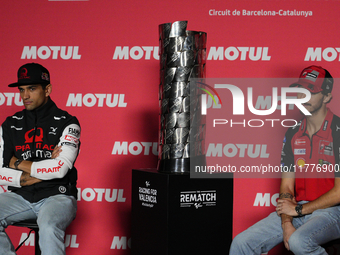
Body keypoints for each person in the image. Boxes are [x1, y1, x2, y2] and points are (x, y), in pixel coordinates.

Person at [229, 65, 340, 255]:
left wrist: (298, 210)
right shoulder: (292, 133)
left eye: (311, 91)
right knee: (242, 243)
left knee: (299, 241)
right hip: (298, 210)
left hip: (332, 211)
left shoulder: (337, 131)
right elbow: (287, 188)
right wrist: (287, 222)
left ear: (327, 96)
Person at [0, 63, 81, 254]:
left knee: (49, 227)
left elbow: (60, 170)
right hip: (21, 195)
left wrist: (16, 163)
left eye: (32, 89)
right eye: (22, 90)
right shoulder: (10, 124)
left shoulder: (68, 122)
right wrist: (27, 177)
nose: (25, 96)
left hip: (58, 196)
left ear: (48, 89)